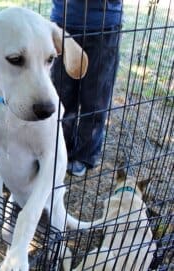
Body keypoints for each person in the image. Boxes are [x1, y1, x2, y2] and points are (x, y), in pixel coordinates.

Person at [50, 0, 123, 176]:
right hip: (63, 22)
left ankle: (84, 156)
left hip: (104, 25)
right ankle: (60, 149)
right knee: (61, 96)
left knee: (96, 98)